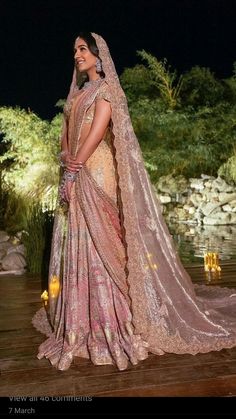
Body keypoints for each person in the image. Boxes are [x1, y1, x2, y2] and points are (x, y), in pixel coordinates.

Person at [32, 32, 236, 371]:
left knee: (105, 240)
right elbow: (68, 134)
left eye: (83, 49)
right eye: (74, 51)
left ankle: (117, 319)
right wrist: (66, 159)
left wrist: (74, 167)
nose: (77, 55)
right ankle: (84, 316)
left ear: (99, 55)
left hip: (96, 171)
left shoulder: (106, 90)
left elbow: (97, 132)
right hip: (77, 167)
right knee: (81, 241)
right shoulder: (78, 93)